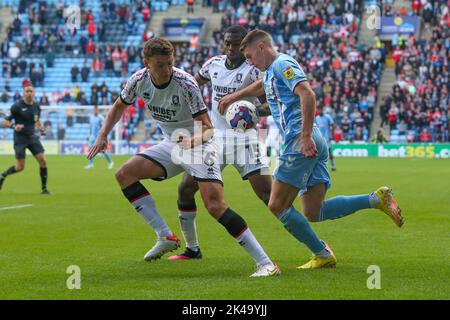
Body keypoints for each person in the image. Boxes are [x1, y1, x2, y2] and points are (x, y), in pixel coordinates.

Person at [87, 37, 280, 277]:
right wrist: (102, 135)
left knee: (215, 205)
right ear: (146, 63)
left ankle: (266, 264)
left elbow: (208, 128)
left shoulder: (185, 83)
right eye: (160, 65)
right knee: (125, 174)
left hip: (200, 144)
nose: (167, 70)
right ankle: (164, 235)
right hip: (173, 142)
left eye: (170, 63)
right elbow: (118, 106)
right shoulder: (138, 80)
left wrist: (191, 142)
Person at [218, 30, 404, 269]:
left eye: (251, 56)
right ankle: (375, 199)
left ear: (262, 47)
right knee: (315, 211)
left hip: (299, 140)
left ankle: (322, 253)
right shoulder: (270, 73)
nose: (250, 62)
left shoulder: (282, 64)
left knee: (276, 205)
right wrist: (237, 97)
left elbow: (307, 93)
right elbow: (259, 88)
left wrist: (304, 137)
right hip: (312, 139)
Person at [168, 25, 272, 261]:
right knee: (185, 188)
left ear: (245, 45)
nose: (231, 48)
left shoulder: (254, 70)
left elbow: (270, 105)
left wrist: (252, 110)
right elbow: (191, 85)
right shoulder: (213, 64)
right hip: (213, 137)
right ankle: (192, 249)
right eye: (227, 43)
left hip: (246, 138)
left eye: (236, 44)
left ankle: (316, 246)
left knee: (270, 198)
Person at [0, 82, 51, 194]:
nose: (29, 93)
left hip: (32, 137)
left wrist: (41, 128)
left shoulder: (37, 106)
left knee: (43, 161)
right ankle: (3, 176)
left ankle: (44, 189)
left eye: (31, 91)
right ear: (23, 94)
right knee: (20, 167)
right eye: (27, 91)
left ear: (34, 93)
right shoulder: (16, 106)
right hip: (20, 138)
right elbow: (5, 121)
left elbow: (36, 119)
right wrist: (14, 126)